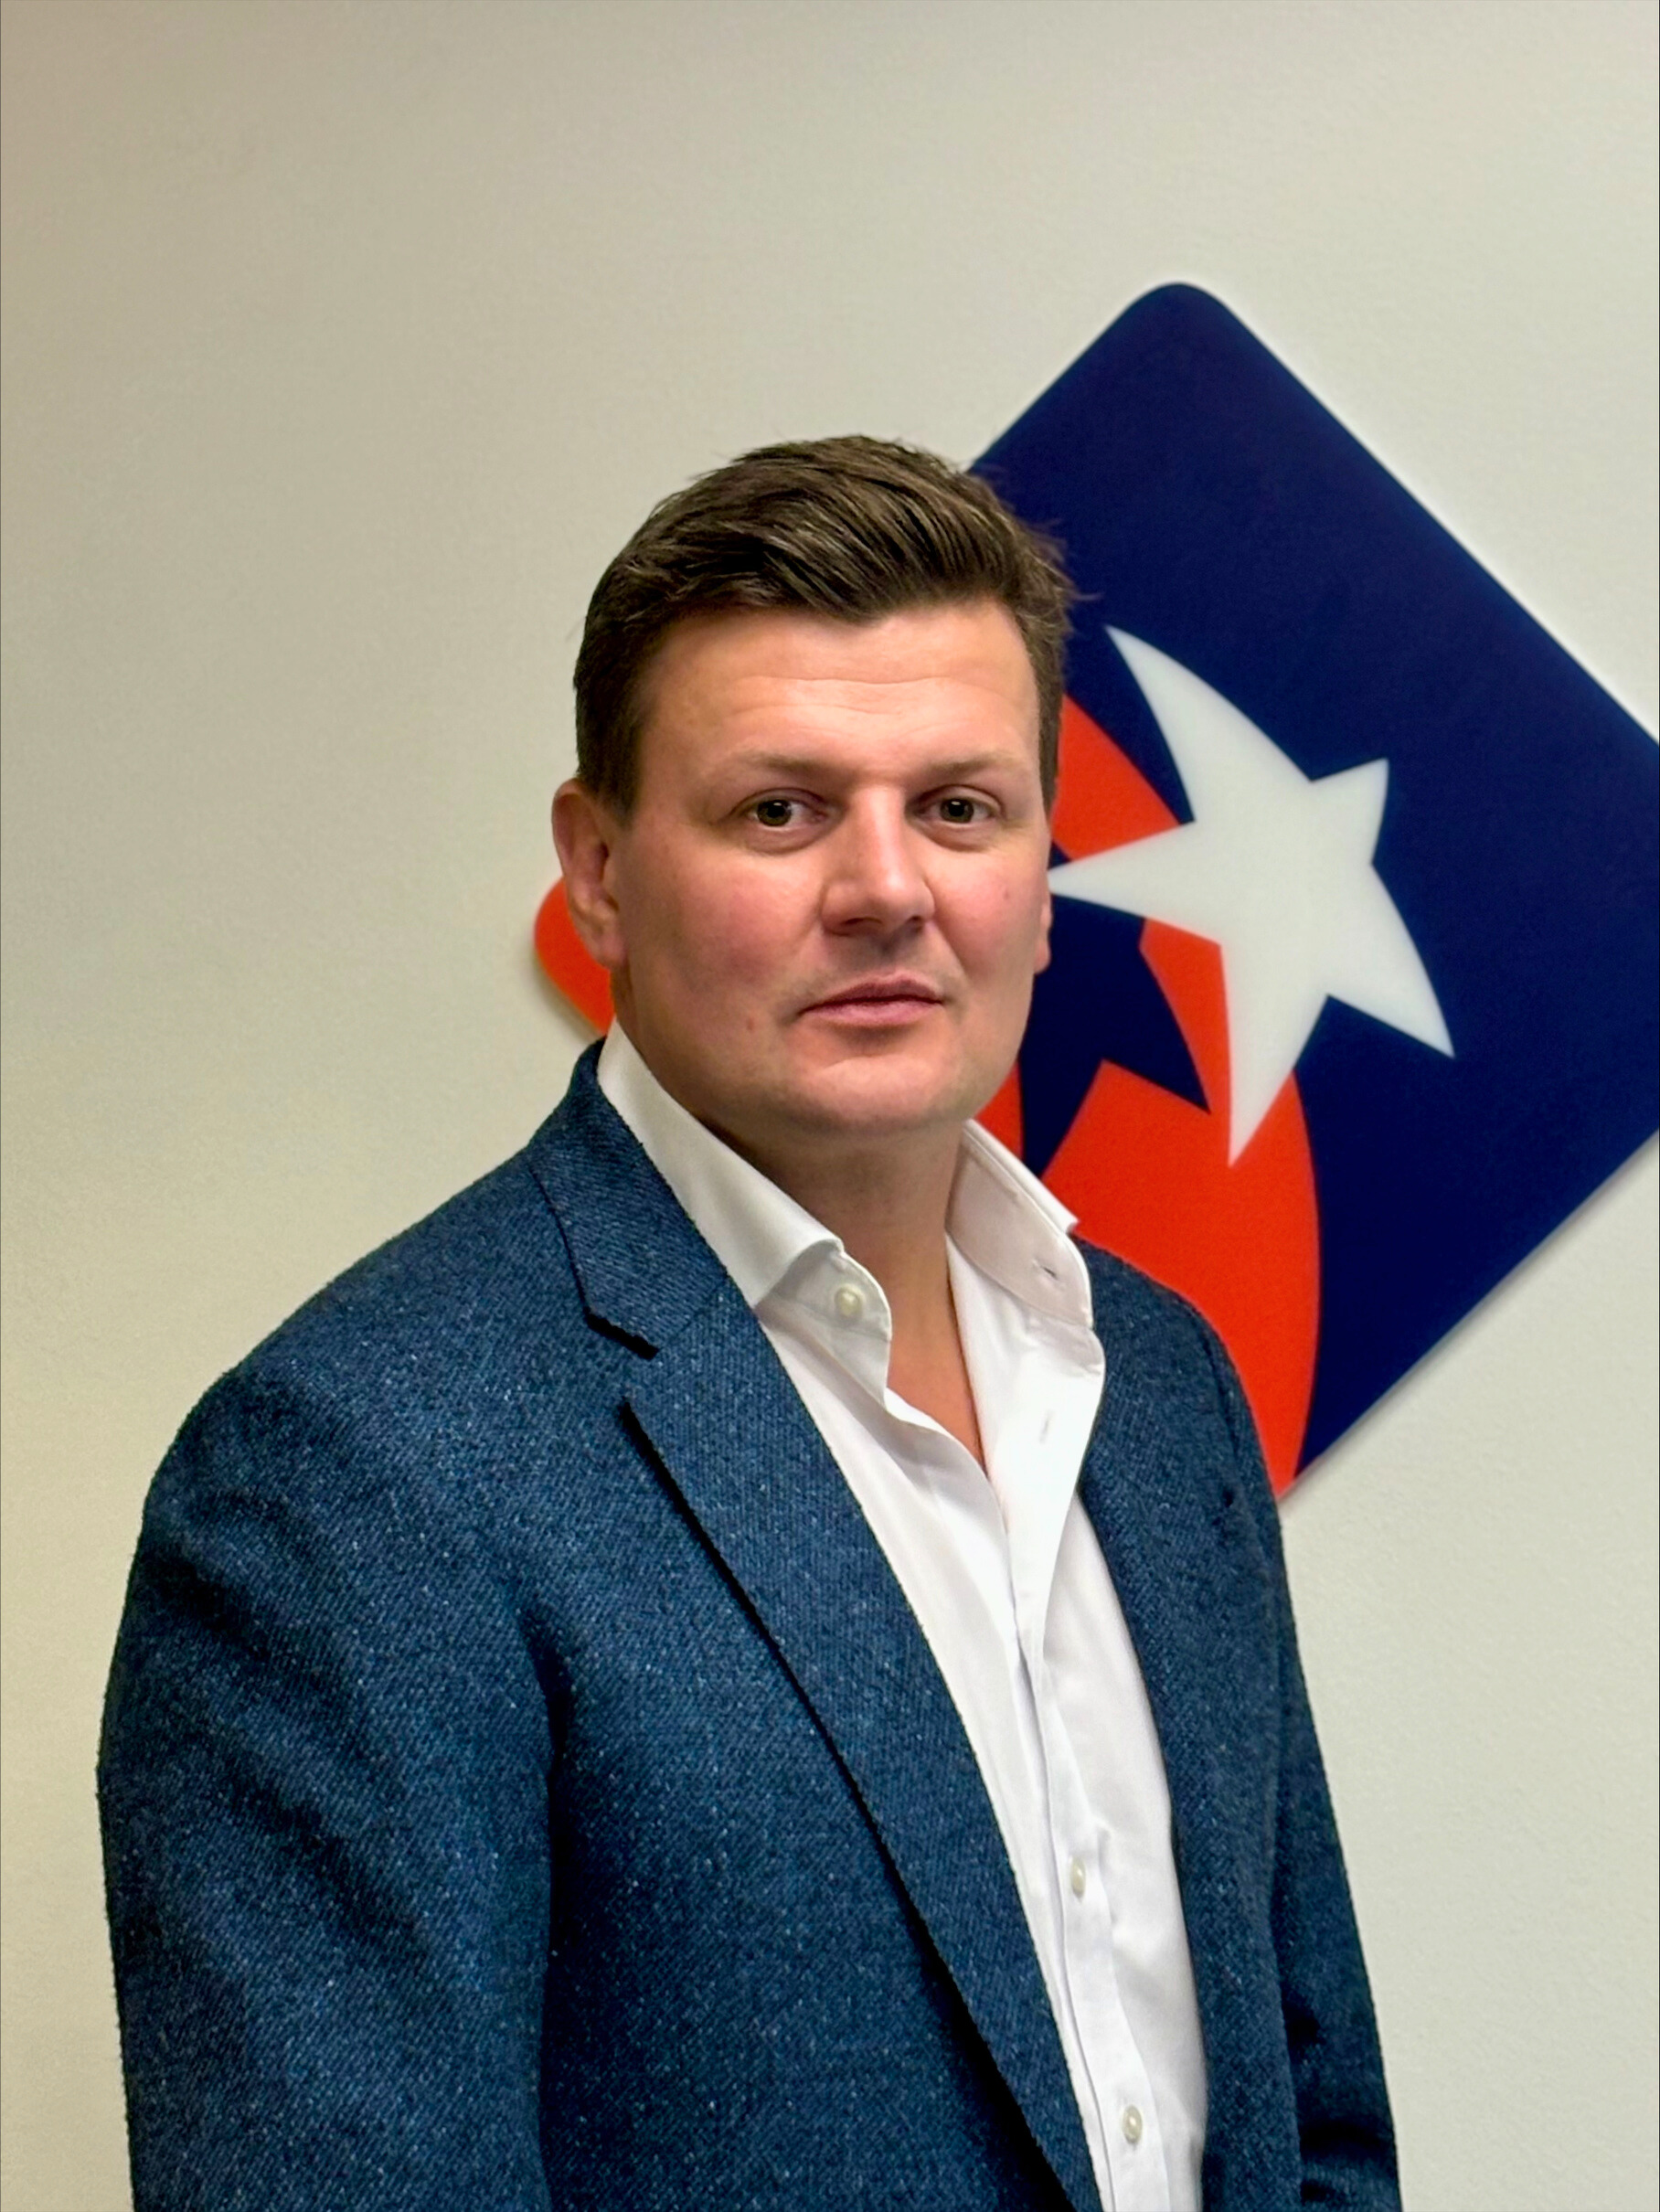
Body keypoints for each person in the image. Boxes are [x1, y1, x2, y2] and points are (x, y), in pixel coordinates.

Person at [100, 437, 1399, 2211]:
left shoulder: (1155, 1380)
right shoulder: (351, 1478)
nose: (886, 887)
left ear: (1041, 868)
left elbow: (1312, 2123)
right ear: (599, 869)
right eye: (780, 810)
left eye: (959, 808)